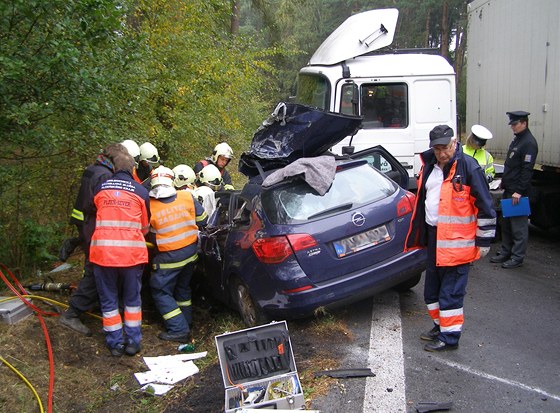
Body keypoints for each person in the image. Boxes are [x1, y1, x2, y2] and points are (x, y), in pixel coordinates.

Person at [405, 125, 496, 352]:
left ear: (455, 143)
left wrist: (484, 242)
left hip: (458, 243)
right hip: (435, 237)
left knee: (451, 292)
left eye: (445, 147)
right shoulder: (430, 167)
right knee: (431, 291)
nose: (442, 153)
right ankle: (440, 327)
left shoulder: (468, 168)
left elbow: (486, 207)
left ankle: (450, 338)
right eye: (437, 149)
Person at [59, 143, 128, 336]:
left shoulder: (93, 169)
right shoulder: (104, 175)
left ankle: (94, 303)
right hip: (94, 226)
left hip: (85, 224)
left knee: (96, 268)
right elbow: (100, 204)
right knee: (96, 269)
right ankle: (73, 313)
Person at [89, 151, 150, 357]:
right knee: (132, 299)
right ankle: (133, 342)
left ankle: (115, 343)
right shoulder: (141, 192)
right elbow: (145, 228)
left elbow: (94, 211)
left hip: (103, 253)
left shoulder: (100, 188)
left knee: (108, 300)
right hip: (131, 255)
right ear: (133, 169)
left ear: (114, 168)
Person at [147, 166, 208, 343]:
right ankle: (187, 321)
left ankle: (179, 329)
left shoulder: (150, 205)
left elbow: (145, 230)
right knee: (182, 288)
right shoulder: (187, 196)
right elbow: (203, 220)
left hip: (168, 259)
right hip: (190, 254)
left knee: (160, 291)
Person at [490, 111, 538, 269]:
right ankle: (506, 251)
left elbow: (527, 170)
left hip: (517, 192)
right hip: (509, 189)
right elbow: (511, 166)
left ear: (524, 123)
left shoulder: (529, 142)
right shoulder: (518, 140)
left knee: (518, 226)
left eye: (515, 124)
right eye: (511, 124)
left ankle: (517, 257)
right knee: (506, 224)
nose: (512, 127)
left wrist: (519, 190)